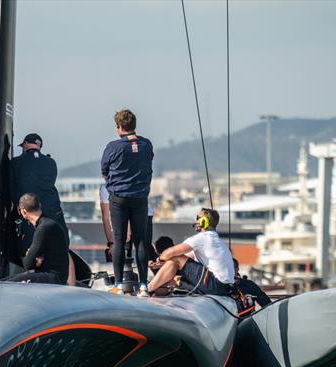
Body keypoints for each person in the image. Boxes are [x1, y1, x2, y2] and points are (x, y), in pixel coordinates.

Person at [101, 109, 154, 296]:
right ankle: (143, 285)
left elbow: (104, 170)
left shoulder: (113, 147)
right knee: (140, 242)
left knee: (119, 240)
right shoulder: (146, 144)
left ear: (119, 127)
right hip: (140, 198)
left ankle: (117, 284)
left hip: (118, 198)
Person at [147, 208, 235, 296]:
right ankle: (154, 294)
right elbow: (186, 257)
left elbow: (170, 253)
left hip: (215, 284)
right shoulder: (214, 240)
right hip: (223, 288)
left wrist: (159, 259)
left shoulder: (203, 237)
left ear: (204, 221)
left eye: (198, 217)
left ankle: (147, 290)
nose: (195, 221)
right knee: (175, 279)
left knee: (176, 257)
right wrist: (160, 264)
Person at [1, 193, 69, 285]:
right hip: (53, 275)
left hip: (52, 277)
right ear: (39, 205)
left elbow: (28, 264)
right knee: (2, 282)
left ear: (24, 212)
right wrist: (36, 260)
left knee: (3, 285)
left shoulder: (43, 227)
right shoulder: (47, 224)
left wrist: (30, 256)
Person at [11, 133, 67, 238]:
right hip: (51, 211)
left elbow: (12, 189)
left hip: (29, 213)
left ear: (26, 144)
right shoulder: (51, 162)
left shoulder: (16, 162)